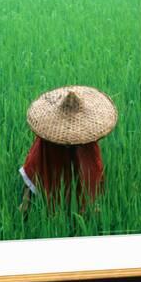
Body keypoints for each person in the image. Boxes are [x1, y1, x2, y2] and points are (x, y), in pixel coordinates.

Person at [19, 85, 118, 215]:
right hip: (53, 155)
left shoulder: (86, 147)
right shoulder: (46, 143)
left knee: (83, 171)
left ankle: (84, 206)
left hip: (77, 154)